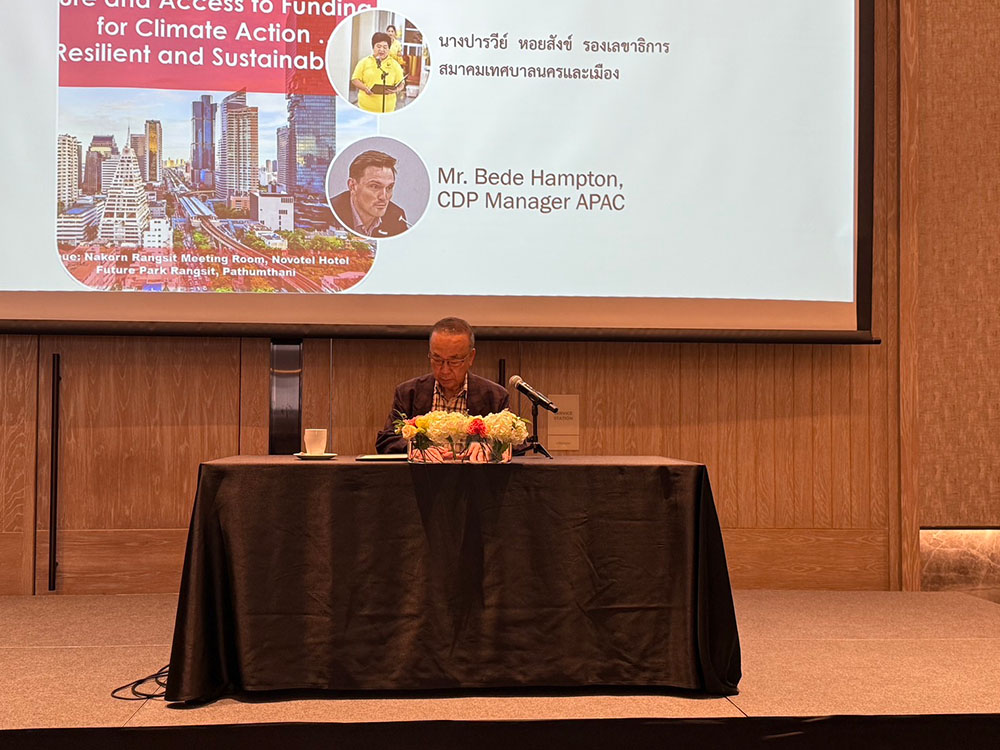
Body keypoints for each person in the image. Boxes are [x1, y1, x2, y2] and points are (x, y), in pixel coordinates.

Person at [375, 318, 510, 454]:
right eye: (437, 359)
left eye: (454, 361)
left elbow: (515, 444)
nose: (445, 370)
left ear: (471, 357)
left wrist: (489, 448)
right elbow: (386, 441)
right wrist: (416, 449)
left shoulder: (495, 396)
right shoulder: (408, 393)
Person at [330, 150, 409, 238]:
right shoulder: (329, 212)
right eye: (375, 186)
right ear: (353, 186)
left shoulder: (396, 217)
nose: (383, 197)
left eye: (389, 187)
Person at [351, 31, 406, 113]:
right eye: (378, 46)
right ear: (373, 47)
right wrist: (365, 88)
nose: (381, 50)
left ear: (389, 49)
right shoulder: (364, 62)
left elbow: (401, 83)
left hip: (387, 109)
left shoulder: (395, 64)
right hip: (365, 107)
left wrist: (396, 89)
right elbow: (355, 79)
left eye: (385, 47)